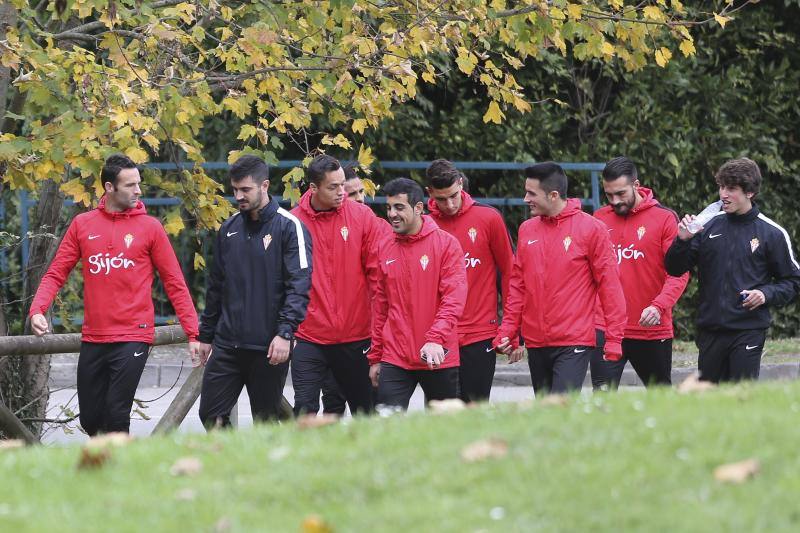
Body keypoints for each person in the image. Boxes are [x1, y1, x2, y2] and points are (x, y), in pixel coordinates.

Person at [29, 154, 200, 436]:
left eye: (139, 184)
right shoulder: (83, 225)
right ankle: (104, 470)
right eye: (130, 185)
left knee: (116, 415)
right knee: (91, 419)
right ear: (109, 187)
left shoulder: (151, 228)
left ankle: (120, 476)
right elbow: (55, 273)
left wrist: (193, 334)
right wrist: (37, 309)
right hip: (94, 336)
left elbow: (175, 283)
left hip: (134, 334)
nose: (138, 190)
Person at [197, 155, 312, 427]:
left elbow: (299, 285)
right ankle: (229, 465)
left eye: (245, 189)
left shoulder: (289, 226)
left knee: (266, 422)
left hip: (268, 346)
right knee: (211, 414)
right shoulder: (228, 229)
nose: (238, 196)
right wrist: (206, 335)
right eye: (235, 189)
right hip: (228, 344)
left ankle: (262, 468)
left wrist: (285, 333)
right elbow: (216, 286)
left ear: (264, 186)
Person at [494, 162, 626, 395]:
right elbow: (518, 286)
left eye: (531, 193)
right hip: (536, 341)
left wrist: (613, 338)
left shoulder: (592, 229)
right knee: (546, 414)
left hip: (573, 340)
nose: (526, 199)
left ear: (553, 195)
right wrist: (509, 331)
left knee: (559, 407)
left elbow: (610, 287)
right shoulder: (527, 229)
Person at [665, 158, 800, 383]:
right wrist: (682, 241)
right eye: (721, 187)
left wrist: (765, 294)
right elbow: (674, 268)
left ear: (750, 192)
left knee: (740, 400)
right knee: (710, 404)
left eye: (732, 189)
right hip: (710, 330)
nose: (723, 194)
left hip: (748, 330)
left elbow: (794, 280)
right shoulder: (706, 225)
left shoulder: (772, 233)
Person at [290, 154, 385, 416]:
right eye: (333, 187)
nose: (342, 192)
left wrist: (379, 336)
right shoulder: (293, 222)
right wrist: (286, 329)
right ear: (314, 188)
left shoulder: (363, 216)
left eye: (343, 184)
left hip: (357, 336)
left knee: (366, 412)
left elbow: (378, 280)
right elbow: (283, 281)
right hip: (309, 337)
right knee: (304, 411)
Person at [591, 157, 689, 389]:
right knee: (602, 397)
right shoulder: (598, 219)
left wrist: (659, 306)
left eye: (621, 193)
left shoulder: (665, 218)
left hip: (650, 328)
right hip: (606, 327)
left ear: (636, 185)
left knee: (660, 397)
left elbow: (678, 272)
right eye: (609, 195)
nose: (615, 201)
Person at [369, 178, 467, 409]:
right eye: (389, 207)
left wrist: (435, 338)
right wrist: (375, 357)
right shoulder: (385, 246)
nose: (392, 214)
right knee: (387, 425)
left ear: (419, 208)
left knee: (442, 432)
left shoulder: (446, 245)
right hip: (395, 356)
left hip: (438, 354)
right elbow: (381, 306)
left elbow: (453, 299)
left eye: (399, 207)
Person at [425, 159, 519, 402]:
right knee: (439, 412)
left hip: (480, 333)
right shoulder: (424, 224)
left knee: (475, 409)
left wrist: (512, 329)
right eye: (441, 199)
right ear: (430, 193)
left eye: (454, 195)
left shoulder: (489, 218)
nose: (449, 204)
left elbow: (510, 274)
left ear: (460, 184)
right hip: (438, 335)